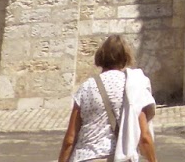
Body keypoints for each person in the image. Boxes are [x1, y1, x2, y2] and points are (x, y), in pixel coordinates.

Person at [57, 34, 158, 162]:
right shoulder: (133, 87)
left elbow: (70, 138)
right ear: (125, 57)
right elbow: (144, 138)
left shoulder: (86, 87)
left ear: (101, 56)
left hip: (85, 157)